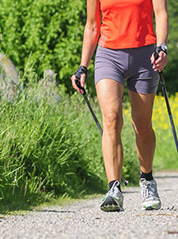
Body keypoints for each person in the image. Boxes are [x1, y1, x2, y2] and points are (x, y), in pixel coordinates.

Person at [71, 0, 169, 212]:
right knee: (111, 119)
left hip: (145, 56)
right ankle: (114, 188)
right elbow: (92, 26)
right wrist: (82, 66)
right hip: (108, 55)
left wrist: (162, 47)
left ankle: (147, 180)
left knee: (142, 127)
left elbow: (160, 13)